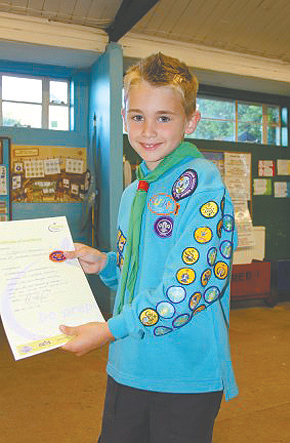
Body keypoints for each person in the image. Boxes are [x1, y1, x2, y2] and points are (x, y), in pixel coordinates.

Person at [60, 52, 238, 443]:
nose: (147, 131)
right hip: (128, 362)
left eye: (164, 117)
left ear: (190, 121)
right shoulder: (133, 191)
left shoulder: (204, 186)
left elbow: (186, 288)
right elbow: (132, 275)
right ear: (124, 118)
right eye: (137, 116)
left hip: (183, 373)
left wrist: (109, 330)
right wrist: (105, 264)